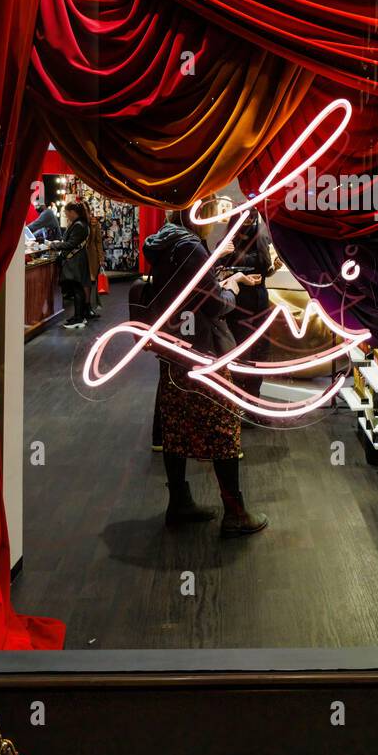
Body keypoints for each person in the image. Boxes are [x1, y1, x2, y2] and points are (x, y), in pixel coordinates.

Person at [143, 207, 268, 536]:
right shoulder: (191, 247)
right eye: (211, 215)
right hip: (204, 351)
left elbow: (185, 294)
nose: (214, 223)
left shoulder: (164, 242)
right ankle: (235, 512)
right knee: (223, 427)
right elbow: (213, 303)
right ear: (198, 214)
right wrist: (231, 290)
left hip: (174, 348)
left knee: (176, 424)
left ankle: (179, 502)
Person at [221, 209, 274, 398]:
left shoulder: (259, 238)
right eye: (245, 217)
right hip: (239, 305)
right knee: (242, 354)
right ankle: (241, 401)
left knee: (258, 354)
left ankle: (251, 400)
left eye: (251, 217)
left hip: (257, 303)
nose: (249, 221)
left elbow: (263, 268)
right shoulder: (228, 243)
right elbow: (220, 274)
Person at [52, 201, 92, 331]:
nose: (66, 215)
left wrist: (54, 245)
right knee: (77, 289)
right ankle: (78, 316)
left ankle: (78, 318)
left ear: (72, 212)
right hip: (79, 260)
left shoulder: (79, 225)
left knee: (77, 289)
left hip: (76, 261)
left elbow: (71, 244)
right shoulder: (81, 224)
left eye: (66, 213)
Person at [85, 207, 106, 319]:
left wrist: (101, 258)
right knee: (84, 282)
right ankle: (85, 308)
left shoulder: (94, 223)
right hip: (82, 255)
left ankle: (90, 307)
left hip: (92, 256)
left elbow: (98, 242)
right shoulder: (78, 223)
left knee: (92, 282)